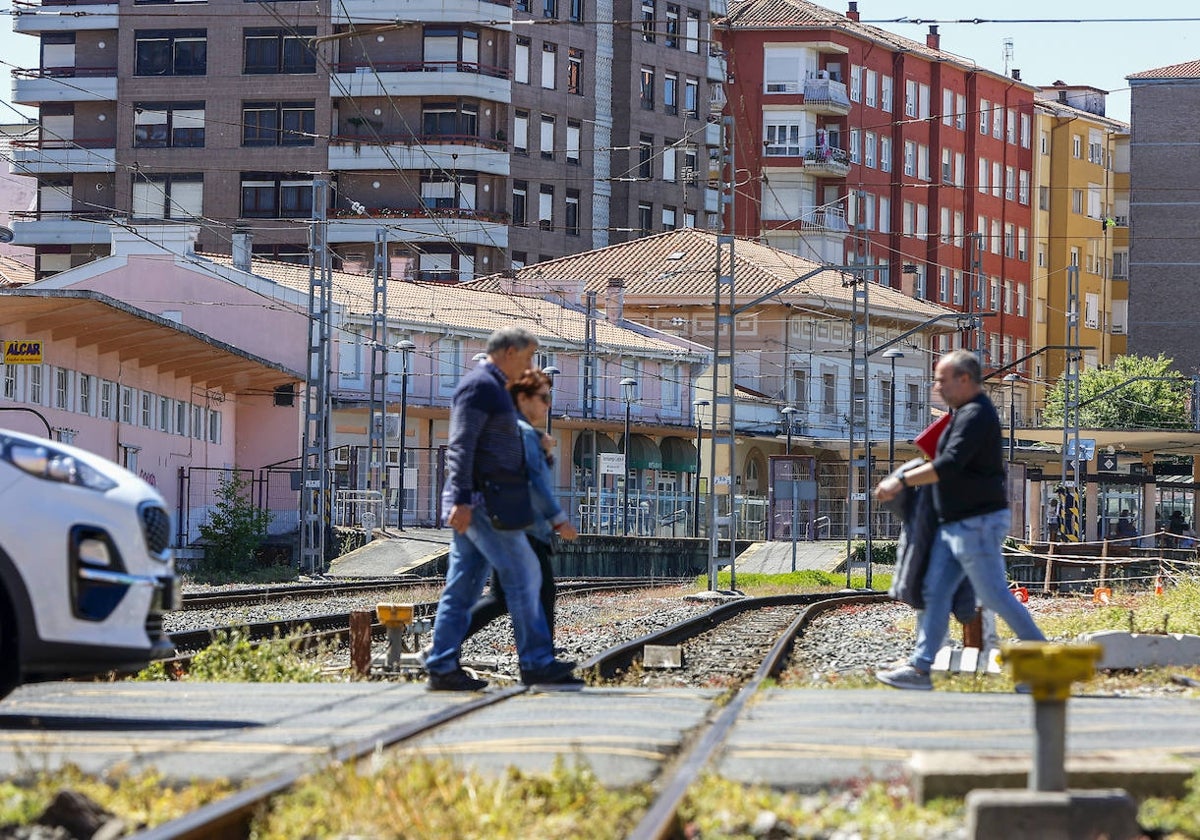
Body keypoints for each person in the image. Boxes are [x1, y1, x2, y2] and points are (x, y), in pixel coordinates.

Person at [872, 349, 1045, 691]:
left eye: (942, 380)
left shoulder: (977, 415)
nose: (938, 387)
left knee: (995, 596)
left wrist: (900, 480)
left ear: (964, 379)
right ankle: (921, 669)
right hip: (958, 525)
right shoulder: (965, 414)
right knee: (935, 592)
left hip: (976, 524)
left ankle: (1040, 665)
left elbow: (951, 464)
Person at [424, 327, 579, 691]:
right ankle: (537, 662)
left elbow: (494, 440)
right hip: (482, 502)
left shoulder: (495, 390)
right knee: (525, 575)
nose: (529, 366)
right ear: (509, 352)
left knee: (463, 587)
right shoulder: (481, 386)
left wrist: (530, 438)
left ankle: (442, 664)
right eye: (527, 357)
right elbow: (461, 445)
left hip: (484, 500)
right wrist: (460, 499)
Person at [464, 369, 578, 645]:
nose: (548, 404)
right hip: (523, 529)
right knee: (541, 594)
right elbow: (535, 484)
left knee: (502, 599)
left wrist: (545, 453)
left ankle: (442, 644)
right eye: (543, 397)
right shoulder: (525, 434)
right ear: (523, 398)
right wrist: (559, 520)